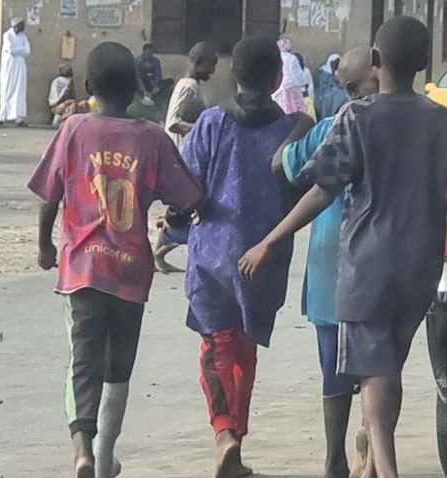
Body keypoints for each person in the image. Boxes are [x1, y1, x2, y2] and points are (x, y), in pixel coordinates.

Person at [238, 17, 447, 478]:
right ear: (425, 64)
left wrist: (269, 240)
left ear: (375, 61)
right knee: (389, 366)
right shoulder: (442, 119)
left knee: (373, 371)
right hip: (420, 266)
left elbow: (321, 190)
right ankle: (372, 470)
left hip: (368, 266)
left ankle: (385, 470)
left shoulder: (356, 117)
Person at [26, 41, 204, 478]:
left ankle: (83, 450)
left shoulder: (73, 130)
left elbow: (51, 195)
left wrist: (45, 245)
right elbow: (189, 198)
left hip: (82, 269)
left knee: (82, 361)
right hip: (130, 270)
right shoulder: (151, 136)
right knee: (118, 368)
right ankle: (105, 461)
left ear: (87, 87)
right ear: (135, 89)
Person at [182, 35, 310, 478]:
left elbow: (187, 188)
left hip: (212, 258)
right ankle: (236, 437)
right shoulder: (292, 129)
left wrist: (183, 217)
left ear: (232, 74)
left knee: (213, 348)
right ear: (278, 79)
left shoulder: (211, 123)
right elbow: (303, 190)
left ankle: (224, 435)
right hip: (266, 260)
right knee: (245, 349)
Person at [272, 46, 379, 478]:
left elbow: (285, 164)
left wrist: (298, 127)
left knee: (334, 370)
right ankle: (367, 450)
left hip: (329, 271)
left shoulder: (330, 128)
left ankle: (337, 457)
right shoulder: (411, 124)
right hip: (377, 268)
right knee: (376, 367)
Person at [154, 96, 207, 273]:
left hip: (184, 206)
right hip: (188, 207)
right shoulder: (196, 144)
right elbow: (184, 187)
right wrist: (172, 217)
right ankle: (161, 247)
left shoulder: (187, 143)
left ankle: (158, 253)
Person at [163, 41, 218, 147]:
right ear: (198, 63)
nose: (213, 70)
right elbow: (173, 123)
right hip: (179, 153)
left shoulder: (193, 86)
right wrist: (203, 129)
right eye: (211, 65)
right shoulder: (187, 87)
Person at [0, 18, 30, 127]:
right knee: (7, 90)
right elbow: (10, 50)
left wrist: (18, 50)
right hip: (9, 67)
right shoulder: (7, 35)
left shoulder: (23, 37)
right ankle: (2, 117)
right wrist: (20, 50)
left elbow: (27, 51)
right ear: (16, 26)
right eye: (21, 25)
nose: (23, 27)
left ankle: (19, 118)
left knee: (19, 91)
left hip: (20, 66)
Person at [271, 38, 307, 115]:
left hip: (278, 89)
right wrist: (301, 86)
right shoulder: (291, 58)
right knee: (294, 112)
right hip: (290, 88)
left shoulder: (275, 57)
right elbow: (297, 76)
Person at [315, 53, 348, 120]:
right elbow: (322, 86)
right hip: (324, 94)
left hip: (334, 93)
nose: (335, 65)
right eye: (334, 63)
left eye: (337, 63)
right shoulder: (324, 72)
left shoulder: (339, 72)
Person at [293, 52, 317, 121]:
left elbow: (310, 85)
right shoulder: (291, 72)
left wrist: (306, 92)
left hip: (306, 98)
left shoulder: (306, 71)